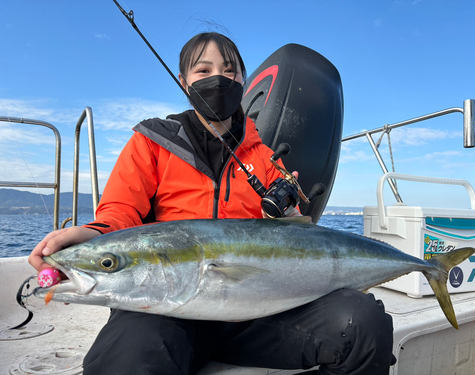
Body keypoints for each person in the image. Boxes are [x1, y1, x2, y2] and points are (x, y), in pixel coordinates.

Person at [29, 32, 395, 375]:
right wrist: (92, 233)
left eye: (229, 71)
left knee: (363, 323)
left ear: (244, 83)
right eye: (203, 70)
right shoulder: (151, 143)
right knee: (127, 357)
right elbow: (121, 212)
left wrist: (291, 214)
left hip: (258, 313)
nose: (217, 78)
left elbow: (295, 236)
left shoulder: (267, 160)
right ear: (183, 81)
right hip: (165, 310)